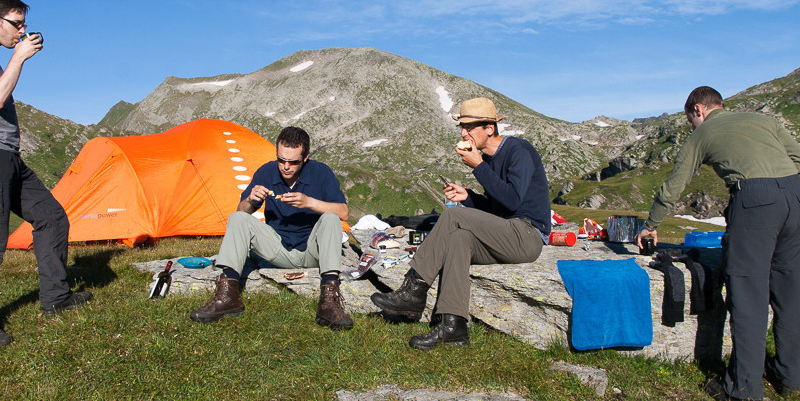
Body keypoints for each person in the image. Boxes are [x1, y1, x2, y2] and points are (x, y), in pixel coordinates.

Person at [634, 86, 800, 401]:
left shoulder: (702, 134)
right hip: (797, 198)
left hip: (755, 202)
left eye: (690, 120)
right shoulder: (764, 121)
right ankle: (788, 377)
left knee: (748, 293)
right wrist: (777, 180)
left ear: (698, 110)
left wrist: (650, 225)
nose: (691, 126)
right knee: (792, 290)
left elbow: (675, 185)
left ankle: (742, 389)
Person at [0, 0, 91, 346]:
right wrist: (19, 57)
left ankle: (56, 298)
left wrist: (15, 58)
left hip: (6, 156)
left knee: (51, 217)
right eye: (17, 24)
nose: (22, 31)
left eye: (23, 25)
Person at [370, 97, 551, 350]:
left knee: (453, 216)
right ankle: (453, 327)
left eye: (469, 127)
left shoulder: (518, 151)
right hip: (507, 233)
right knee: (459, 239)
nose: (464, 133)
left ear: (490, 128)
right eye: (462, 127)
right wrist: (468, 197)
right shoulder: (489, 159)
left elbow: (513, 201)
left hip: (527, 234)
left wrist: (478, 167)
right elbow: (497, 209)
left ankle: (413, 292)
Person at [190, 126, 353, 330]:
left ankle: (328, 302)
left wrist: (309, 202)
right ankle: (228, 296)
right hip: (278, 249)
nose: (286, 167)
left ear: (305, 158)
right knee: (237, 218)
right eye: (281, 160)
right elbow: (242, 211)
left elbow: (343, 212)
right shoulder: (266, 172)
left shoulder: (321, 172)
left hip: (313, 251)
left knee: (330, 219)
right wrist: (250, 199)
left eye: (293, 162)